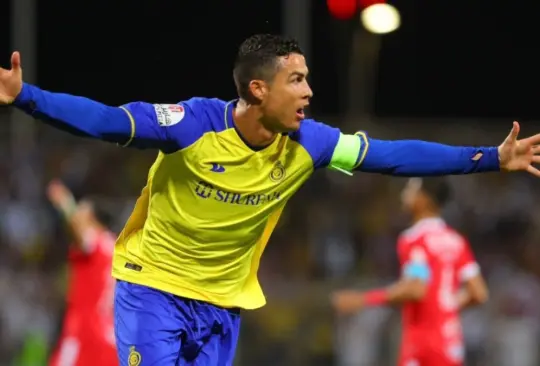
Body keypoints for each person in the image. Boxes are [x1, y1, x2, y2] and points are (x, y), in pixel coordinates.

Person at [0, 33, 538, 365]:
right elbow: (106, 121)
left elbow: (395, 155)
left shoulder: (311, 143)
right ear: (258, 89)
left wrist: (490, 157)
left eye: (307, 80)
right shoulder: (192, 124)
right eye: (296, 80)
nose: (308, 92)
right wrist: (25, 96)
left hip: (223, 303)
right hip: (153, 288)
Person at [332, 177, 489, 366]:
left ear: (424, 199)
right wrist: (444, 305)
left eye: (410, 190)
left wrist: (363, 299)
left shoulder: (414, 239)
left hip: (422, 343)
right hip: (450, 340)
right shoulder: (456, 240)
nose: (404, 195)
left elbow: (415, 289)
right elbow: (479, 293)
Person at [46, 180, 117, 366]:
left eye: (82, 211)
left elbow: (79, 232)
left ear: (93, 220)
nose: (78, 214)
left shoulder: (97, 244)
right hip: (108, 336)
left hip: (84, 332)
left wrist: (64, 201)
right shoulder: (116, 248)